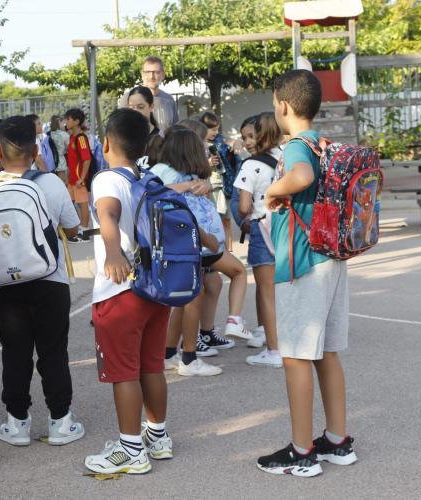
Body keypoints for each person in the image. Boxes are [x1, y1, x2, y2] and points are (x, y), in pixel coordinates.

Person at [257, 70, 356, 476]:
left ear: (282, 105)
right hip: (329, 258)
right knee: (327, 354)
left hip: (302, 263)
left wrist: (272, 190)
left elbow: (302, 176)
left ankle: (301, 452)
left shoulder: (298, 146)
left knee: (296, 357)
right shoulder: (322, 142)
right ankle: (337, 440)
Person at [0, 116, 85, 448]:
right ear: (35, 151)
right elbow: (73, 229)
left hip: (5, 285)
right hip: (50, 281)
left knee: (14, 353)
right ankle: (61, 421)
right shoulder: (50, 184)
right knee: (53, 351)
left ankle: (17, 422)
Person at [84, 108, 172, 475]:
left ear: (106, 143)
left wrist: (113, 252)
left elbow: (107, 213)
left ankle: (131, 449)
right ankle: (158, 437)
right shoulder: (150, 177)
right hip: (156, 289)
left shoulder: (107, 179)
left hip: (120, 289)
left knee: (124, 372)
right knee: (151, 365)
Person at [151, 128, 226, 377]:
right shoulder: (164, 171)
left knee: (188, 298)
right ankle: (189, 357)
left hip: (193, 244)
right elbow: (155, 192)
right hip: (186, 244)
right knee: (194, 296)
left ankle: (169, 353)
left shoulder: (185, 173)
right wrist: (188, 185)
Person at [232, 113, 283, 368]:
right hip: (285, 227)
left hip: (262, 228)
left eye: (251, 136)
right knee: (286, 289)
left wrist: (248, 213)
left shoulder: (251, 165)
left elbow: (243, 207)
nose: (248, 141)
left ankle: (274, 350)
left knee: (267, 292)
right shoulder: (286, 156)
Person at [201, 111, 241, 253]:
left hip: (224, 186)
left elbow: (234, 142)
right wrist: (208, 163)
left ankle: (229, 252)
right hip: (207, 188)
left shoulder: (220, 140)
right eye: (212, 129)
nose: (215, 132)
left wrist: (237, 144)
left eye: (217, 129)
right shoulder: (197, 143)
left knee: (226, 220)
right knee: (212, 220)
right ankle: (215, 251)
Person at [119, 56, 178, 133]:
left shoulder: (169, 100)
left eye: (156, 72)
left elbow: (174, 130)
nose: (151, 76)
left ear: (163, 75)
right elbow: (121, 130)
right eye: (147, 72)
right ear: (142, 74)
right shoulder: (128, 99)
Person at [64, 108, 92, 243]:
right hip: (72, 180)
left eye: (68, 119)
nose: (66, 122)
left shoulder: (81, 138)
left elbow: (87, 159)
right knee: (70, 204)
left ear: (76, 121)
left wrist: (82, 178)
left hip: (79, 180)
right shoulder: (72, 137)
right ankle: (75, 230)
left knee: (83, 205)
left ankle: (84, 232)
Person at [47, 114, 70, 183]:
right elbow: (68, 148)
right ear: (59, 122)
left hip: (50, 160)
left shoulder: (48, 134)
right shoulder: (64, 135)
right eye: (63, 123)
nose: (64, 125)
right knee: (61, 182)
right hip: (61, 160)